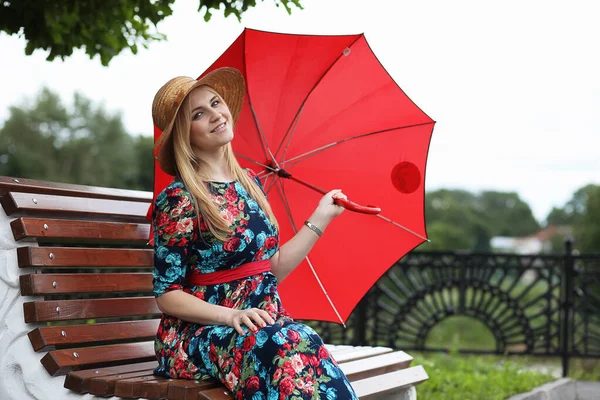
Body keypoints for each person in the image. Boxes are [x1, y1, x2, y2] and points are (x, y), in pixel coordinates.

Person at [150, 67, 359, 399]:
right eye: (198, 114)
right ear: (183, 135)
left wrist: (321, 217)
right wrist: (232, 315)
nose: (216, 115)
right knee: (281, 345)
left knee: (304, 339)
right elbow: (166, 294)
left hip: (259, 324)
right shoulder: (180, 199)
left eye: (216, 103)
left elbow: (271, 268)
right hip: (199, 334)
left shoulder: (251, 183)